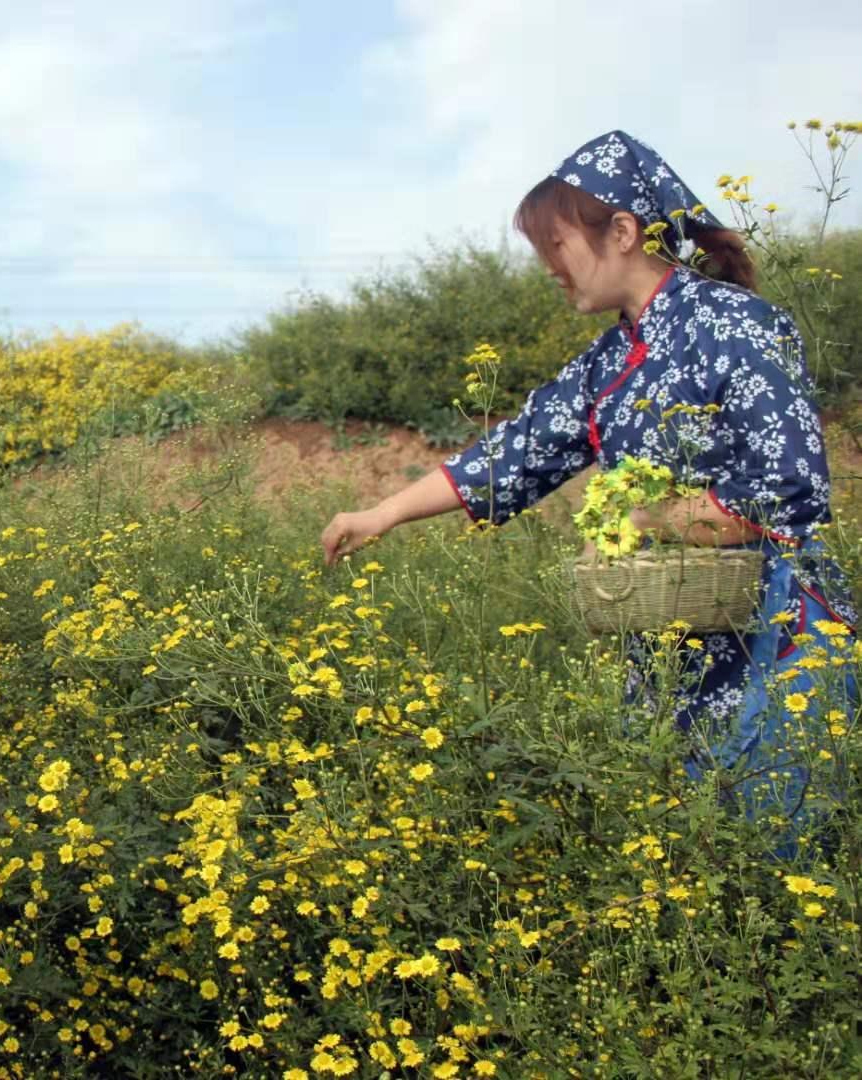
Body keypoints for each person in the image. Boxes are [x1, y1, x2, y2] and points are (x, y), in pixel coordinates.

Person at [321, 130, 856, 842]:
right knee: (682, 855)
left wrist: (648, 521)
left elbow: (789, 486)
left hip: (779, 638)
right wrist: (382, 513)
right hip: (671, 649)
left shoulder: (738, 324)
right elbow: (513, 451)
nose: (550, 267)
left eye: (558, 244)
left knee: (778, 858)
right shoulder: (609, 362)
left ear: (625, 233)